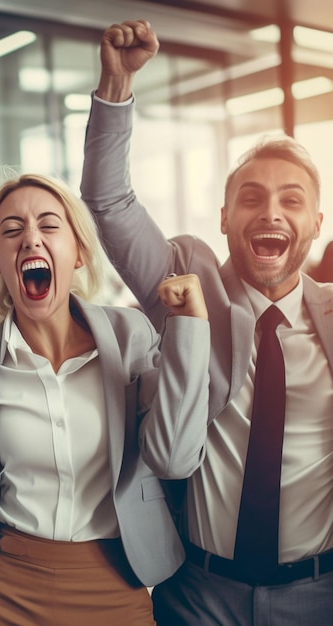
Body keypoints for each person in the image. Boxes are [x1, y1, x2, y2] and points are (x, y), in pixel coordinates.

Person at [80, 19, 333, 626]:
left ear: (317, 223)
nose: (270, 211)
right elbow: (110, 202)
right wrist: (116, 85)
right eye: (251, 197)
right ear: (224, 216)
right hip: (197, 592)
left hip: (318, 594)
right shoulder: (188, 286)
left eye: (291, 200)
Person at [0, 172, 211, 625]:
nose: (30, 240)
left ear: (78, 252)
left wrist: (191, 328)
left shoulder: (131, 336)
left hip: (115, 581)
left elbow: (176, 458)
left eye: (48, 225)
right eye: (11, 230)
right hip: (4, 586)